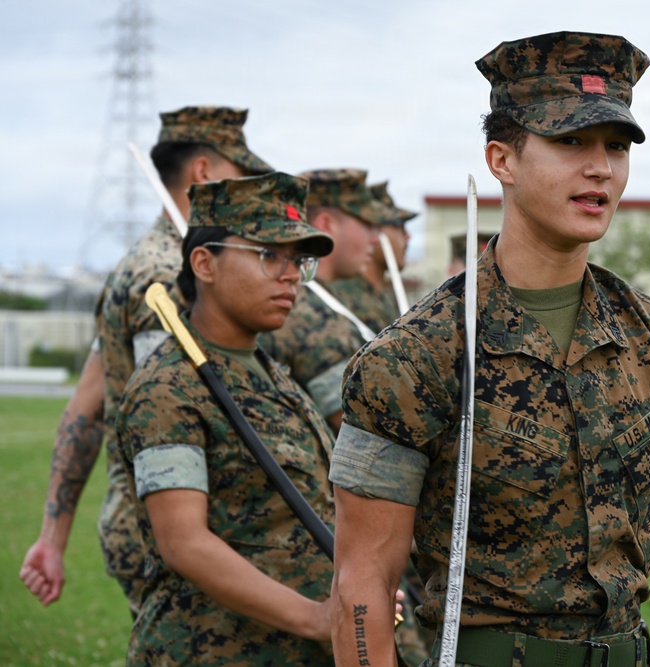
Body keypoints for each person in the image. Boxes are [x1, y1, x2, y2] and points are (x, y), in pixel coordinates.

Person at [328, 30, 650, 667]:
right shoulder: (415, 359)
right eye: (569, 141)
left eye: (616, 146)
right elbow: (363, 579)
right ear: (502, 160)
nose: (600, 167)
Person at [19, 105, 271, 616]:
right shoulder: (172, 276)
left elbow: (86, 408)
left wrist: (52, 536)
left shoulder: (141, 264)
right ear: (204, 172)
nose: (250, 192)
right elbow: (176, 410)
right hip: (182, 532)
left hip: (149, 525)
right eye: (241, 177)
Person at [117, 172, 339, 664]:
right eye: (268, 255)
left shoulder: (269, 372)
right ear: (204, 263)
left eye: (299, 261)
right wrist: (314, 618)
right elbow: (184, 543)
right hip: (212, 650)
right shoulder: (169, 387)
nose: (289, 276)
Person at [258, 168, 390, 433]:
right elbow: (359, 424)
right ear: (327, 224)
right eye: (367, 224)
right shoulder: (308, 309)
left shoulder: (328, 299)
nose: (374, 238)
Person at [333, 181, 418, 332]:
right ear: (374, 230)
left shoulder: (382, 298)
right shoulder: (346, 299)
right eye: (399, 225)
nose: (407, 236)